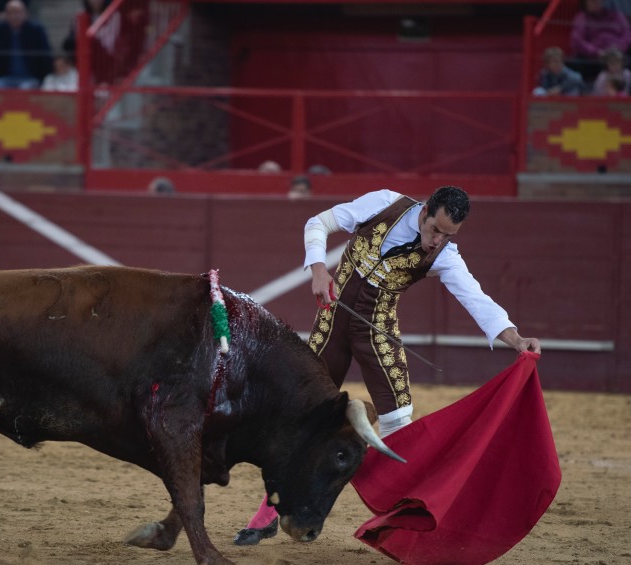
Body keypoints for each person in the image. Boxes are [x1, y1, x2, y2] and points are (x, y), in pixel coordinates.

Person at [232, 186, 542, 546]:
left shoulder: (445, 256)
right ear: (424, 211)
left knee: (399, 422)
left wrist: (516, 340)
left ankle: (404, 518)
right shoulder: (384, 204)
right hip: (331, 323)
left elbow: (476, 299)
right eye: (435, 230)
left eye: (448, 236)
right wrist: (318, 270)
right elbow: (318, 223)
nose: (437, 241)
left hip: (376, 333)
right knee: (300, 417)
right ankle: (271, 511)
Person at [0, 0, 53, 89]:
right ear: (6, 15)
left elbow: (45, 56)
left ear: (26, 13)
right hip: (7, 77)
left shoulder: (36, 30)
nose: (14, 16)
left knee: (25, 89)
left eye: (17, 12)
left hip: (30, 78)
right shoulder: (0, 30)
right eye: (10, 13)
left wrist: (41, 77)